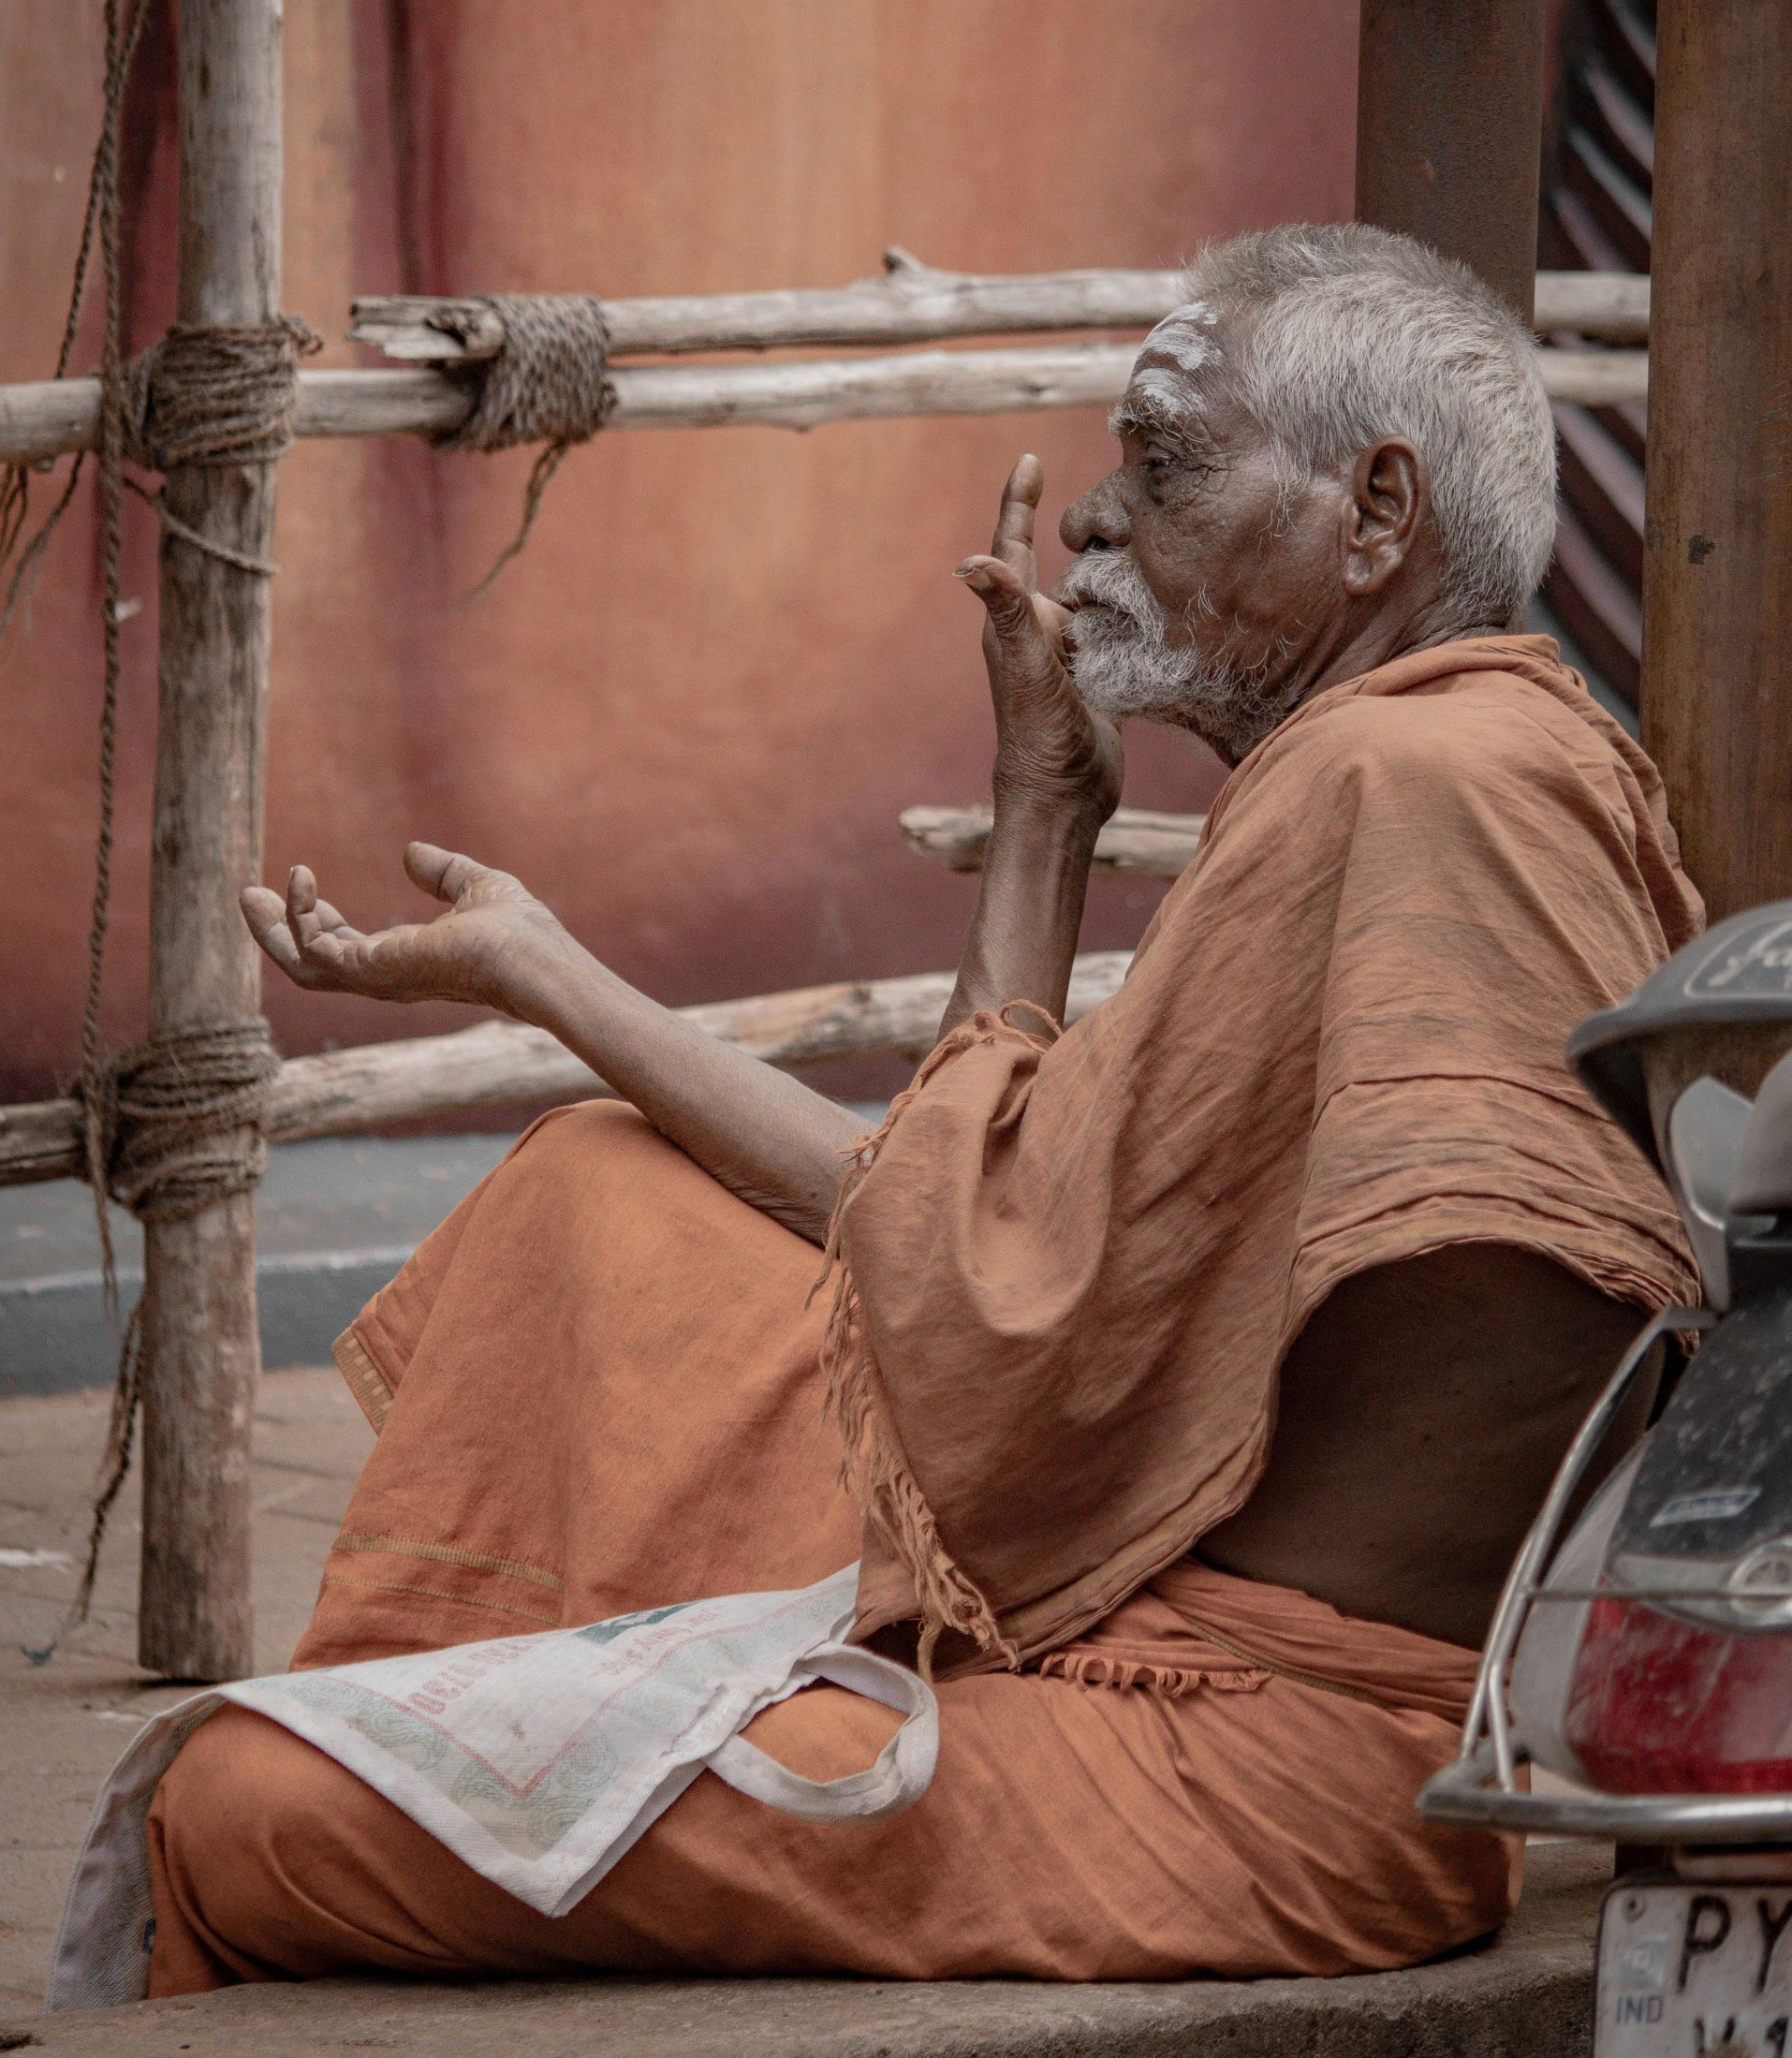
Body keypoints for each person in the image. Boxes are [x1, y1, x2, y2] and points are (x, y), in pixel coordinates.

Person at [143, 223, 1701, 1991]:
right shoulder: (1477, 757)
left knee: (236, 1801)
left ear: (1377, 515)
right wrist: (1040, 811)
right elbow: (976, 1220)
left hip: (1246, 1759)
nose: (1098, 521)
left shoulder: (1392, 776)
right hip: (1117, 1604)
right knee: (600, 1195)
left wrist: (549, 975)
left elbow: (981, 1295)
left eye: (1167, 466)